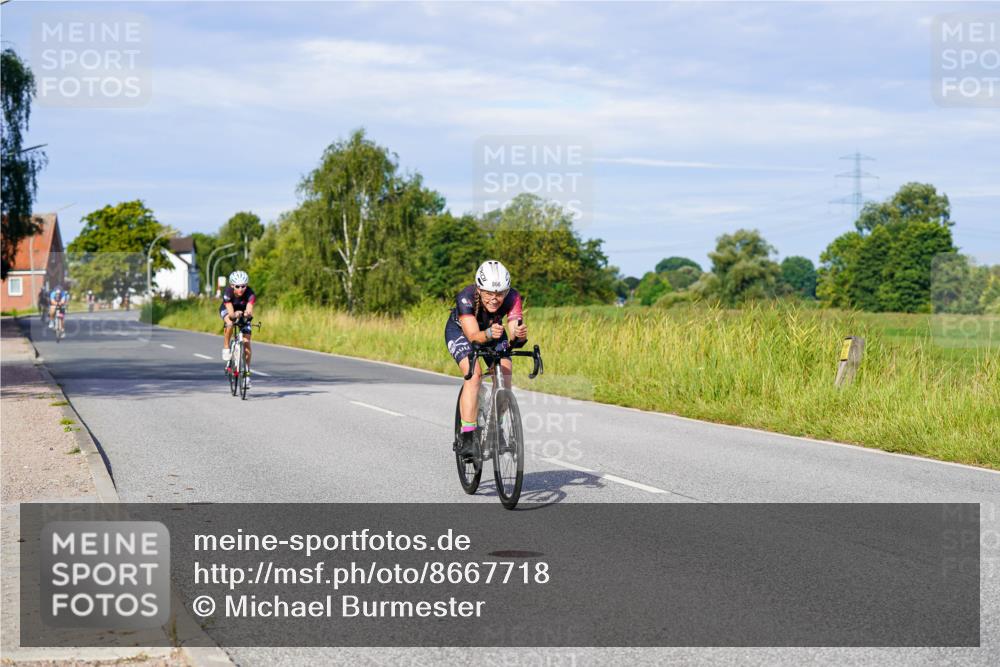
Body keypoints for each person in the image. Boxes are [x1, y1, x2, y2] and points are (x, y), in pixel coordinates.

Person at [445, 260, 528, 459]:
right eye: (489, 293)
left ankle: (496, 428)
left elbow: (515, 333)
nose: (494, 299)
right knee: (474, 375)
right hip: (462, 332)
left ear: (507, 291)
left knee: (505, 376)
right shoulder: (466, 297)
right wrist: (489, 333)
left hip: (495, 332)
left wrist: (519, 335)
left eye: (499, 294)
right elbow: (474, 335)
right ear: (479, 289)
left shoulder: (513, 297)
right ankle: (467, 436)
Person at [220, 270, 256, 386]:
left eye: (243, 286)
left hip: (243, 312)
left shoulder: (250, 294)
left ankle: (246, 374)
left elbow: (250, 309)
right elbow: (231, 314)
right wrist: (235, 314)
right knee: (230, 323)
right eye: (237, 286)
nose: (241, 289)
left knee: (246, 343)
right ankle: (226, 347)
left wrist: (247, 314)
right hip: (229, 310)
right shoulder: (228, 293)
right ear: (232, 285)